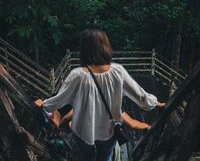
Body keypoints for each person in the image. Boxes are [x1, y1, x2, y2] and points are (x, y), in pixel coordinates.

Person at [35, 29, 165, 161]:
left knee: (87, 157)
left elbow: (59, 100)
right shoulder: (118, 71)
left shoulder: (77, 75)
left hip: (84, 131)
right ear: (106, 47)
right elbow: (141, 96)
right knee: (106, 157)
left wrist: (44, 105)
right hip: (108, 131)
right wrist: (156, 104)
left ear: (84, 50)